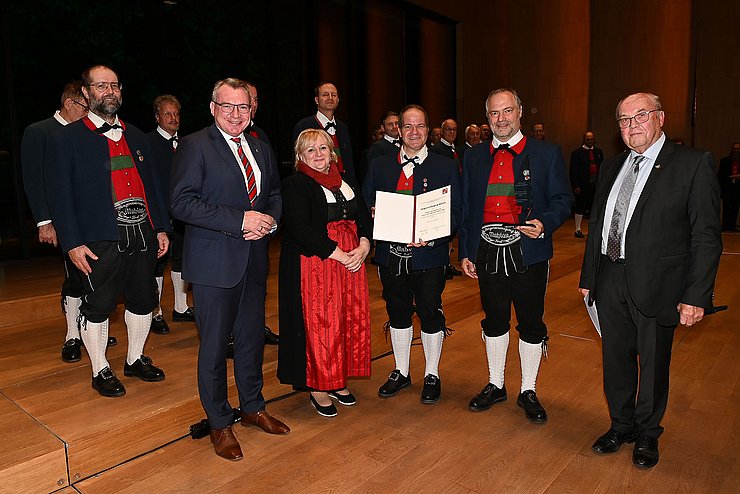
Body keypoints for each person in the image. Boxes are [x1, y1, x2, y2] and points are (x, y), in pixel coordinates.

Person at [579, 92, 722, 469]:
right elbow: (598, 226)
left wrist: (696, 295)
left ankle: (647, 433)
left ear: (660, 117)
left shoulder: (692, 163)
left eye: (640, 116)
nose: (632, 126)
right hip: (609, 278)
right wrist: (588, 277)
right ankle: (621, 425)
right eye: (624, 120)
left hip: (660, 284)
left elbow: (706, 236)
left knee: (654, 363)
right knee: (615, 359)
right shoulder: (611, 167)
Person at [170, 78, 288, 461]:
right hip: (213, 265)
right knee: (215, 348)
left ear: (251, 109)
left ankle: (253, 407)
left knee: (252, 340)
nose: (236, 115)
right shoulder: (194, 145)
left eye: (243, 107)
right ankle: (220, 423)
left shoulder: (260, 145)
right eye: (228, 107)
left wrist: (268, 220)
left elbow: (273, 194)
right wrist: (241, 220)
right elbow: (182, 203)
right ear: (212, 108)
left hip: (254, 259)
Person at [45, 65, 171, 397]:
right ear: (86, 93)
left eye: (115, 85)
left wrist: (161, 227)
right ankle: (100, 368)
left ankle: (135, 358)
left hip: (142, 235)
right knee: (98, 305)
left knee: (144, 300)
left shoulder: (138, 136)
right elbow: (59, 197)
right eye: (101, 86)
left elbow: (153, 188)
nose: (110, 91)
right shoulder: (65, 140)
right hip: (99, 238)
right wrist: (72, 243)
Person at [459, 88, 572, 424]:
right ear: (487, 118)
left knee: (531, 322)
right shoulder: (474, 156)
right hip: (485, 252)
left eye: (507, 111)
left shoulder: (547, 153)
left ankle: (528, 389)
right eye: (494, 113)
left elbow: (563, 200)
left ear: (520, 112)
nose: (501, 119)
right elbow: (467, 208)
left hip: (529, 253)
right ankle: (496, 384)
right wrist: (465, 251)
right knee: (494, 320)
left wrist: (545, 223)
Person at [363, 104, 461, 405]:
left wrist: (434, 236)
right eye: (408, 126)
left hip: (430, 256)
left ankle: (432, 373)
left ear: (427, 131)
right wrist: (373, 215)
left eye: (420, 126)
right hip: (391, 255)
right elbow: (365, 205)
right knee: (397, 312)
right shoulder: (380, 165)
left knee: (430, 311)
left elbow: (457, 212)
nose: (414, 132)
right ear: (397, 130)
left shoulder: (444, 165)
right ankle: (401, 371)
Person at [277, 129, 372, 418]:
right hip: (316, 264)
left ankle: (337, 378)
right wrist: (341, 254)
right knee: (321, 323)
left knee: (346, 319)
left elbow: (363, 217)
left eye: (323, 148)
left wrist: (365, 245)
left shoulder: (348, 181)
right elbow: (299, 229)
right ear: (300, 157)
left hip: (350, 261)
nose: (319, 155)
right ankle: (318, 385)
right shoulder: (295, 184)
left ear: (332, 151)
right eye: (311, 151)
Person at [21, 81, 117, 362]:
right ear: (69, 103)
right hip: (63, 220)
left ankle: (92, 327)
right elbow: (34, 181)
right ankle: (72, 335)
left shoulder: (91, 132)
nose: (90, 113)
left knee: (94, 276)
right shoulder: (39, 132)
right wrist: (44, 221)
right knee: (74, 277)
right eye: (85, 107)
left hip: (94, 220)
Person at [147, 95, 195, 336]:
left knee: (181, 260)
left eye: (176, 114)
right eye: (168, 114)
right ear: (157, 117)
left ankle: (180, 307)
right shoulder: (147, 143)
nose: (173, 118)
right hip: (158, 214)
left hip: (183, 214)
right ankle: (156, 313)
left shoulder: (187, 144)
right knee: (157, 265)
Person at [243, 81, 280, 345]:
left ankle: (257, 327)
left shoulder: (261, 138)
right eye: (247, 100)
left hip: (261, 234)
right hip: (232, 233)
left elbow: (272, 188)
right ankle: (233, 336)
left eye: (255, 100)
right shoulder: (209, 143)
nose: (252, 105)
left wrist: (270, 220)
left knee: (258, 285)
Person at [293, 82, 355, 178]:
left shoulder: (343, 127)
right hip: (314, 184)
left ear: (338, 100)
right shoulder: (304, 126)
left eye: (333, 95)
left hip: (343, 184)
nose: (330, 98)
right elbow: (297, 161)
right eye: (325, 95)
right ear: (317, 100)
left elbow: (349, 161)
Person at [569, 131, 604, 238]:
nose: (590, 141)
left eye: (592, 139)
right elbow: (573, 171)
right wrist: (575, 186)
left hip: (595, 185)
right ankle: (578, 229)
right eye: (588, 139)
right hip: (582, 185)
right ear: (584, 140)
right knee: (580, 207)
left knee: (594, 207)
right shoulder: (577, 153)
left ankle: (593, 230)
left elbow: (602, 168)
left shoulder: (598, 152)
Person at [718, 142, 740, 231]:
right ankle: (726, 228)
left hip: (738, 190)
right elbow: (720, 176)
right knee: (726, 211)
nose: (736, 151)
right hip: (727, 190)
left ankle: (733, 228)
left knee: (735, 210)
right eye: (734, 149)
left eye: (738, 149)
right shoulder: (725, 161)